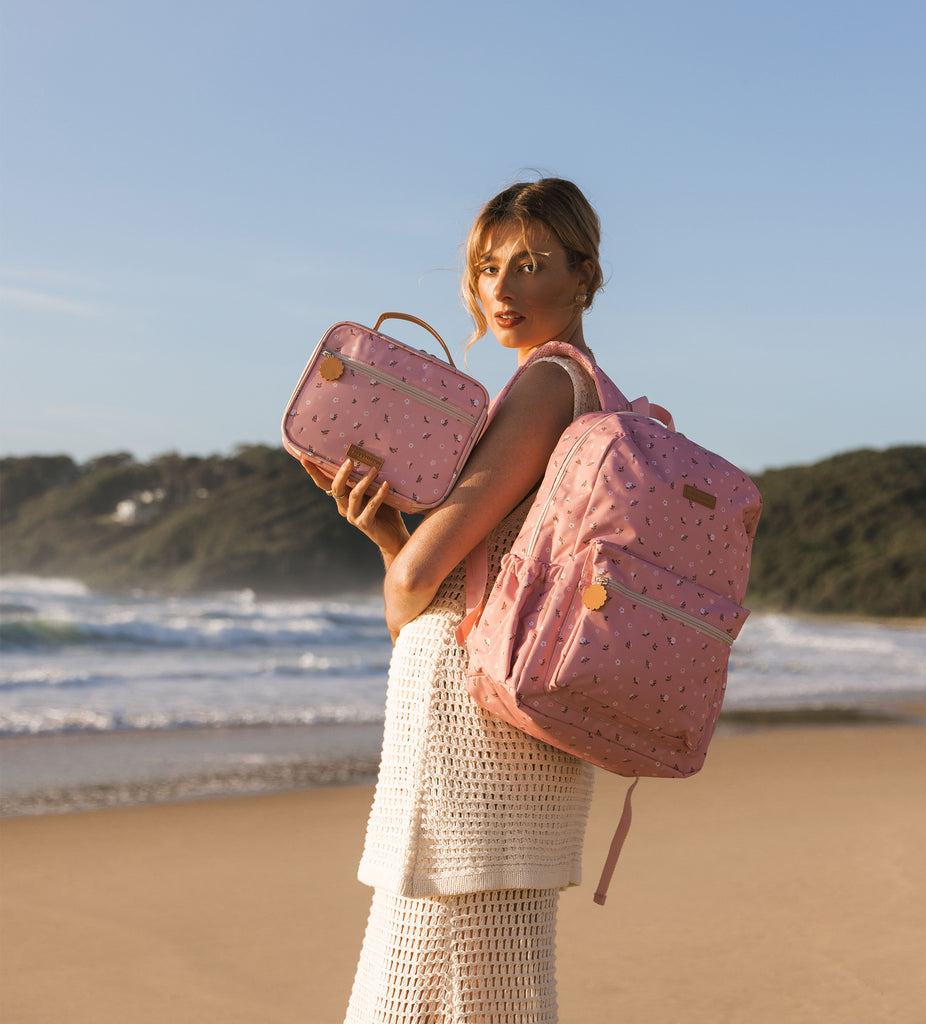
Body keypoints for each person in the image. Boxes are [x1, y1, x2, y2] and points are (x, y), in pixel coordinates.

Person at [302, 177, 606, 1023]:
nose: (500, 291)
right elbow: (471, 574)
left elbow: (414, 591)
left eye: (530, 264)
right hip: (528, 721)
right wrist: (397, 536)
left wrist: (396, 550)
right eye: (486, 267)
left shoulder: (544, 386)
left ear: (584, 276)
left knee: (416, 987)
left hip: (466, 721)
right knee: (493, 987)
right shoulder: (600, 396)